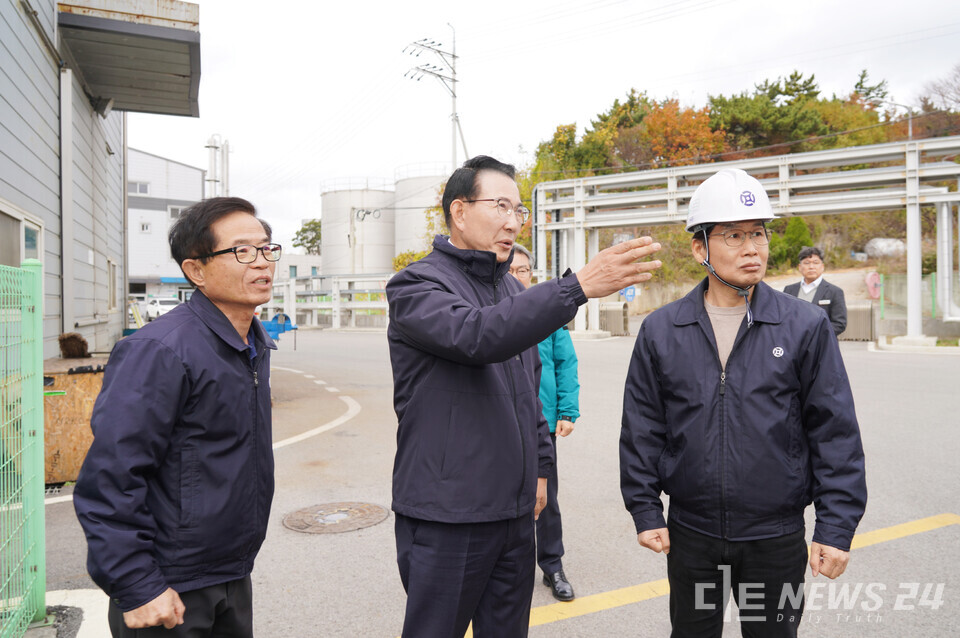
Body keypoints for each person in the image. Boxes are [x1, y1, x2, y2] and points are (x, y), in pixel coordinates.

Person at [387, 155, 662, 638]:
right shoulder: (416, 285)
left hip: (514, 517)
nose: (514, 222)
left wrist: (540, 470)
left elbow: (528, 396)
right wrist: (576, 287)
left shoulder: (510, 294)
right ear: (459, 210)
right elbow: (477, 336)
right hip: (448, 515)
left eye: (520, 211)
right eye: (501, 206)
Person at [619, 168, 867, 637]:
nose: (752, 248)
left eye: (758, 234)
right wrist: (645, 508)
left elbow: (834, 430)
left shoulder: (804, 326)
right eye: (733, 236)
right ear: (700, 249)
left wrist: (836, 528)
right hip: (692, 534)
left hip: (776, 535)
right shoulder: (662, 330)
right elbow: (642, 427)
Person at [74, 197, 280, 637]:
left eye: (266, 248)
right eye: (241, 251)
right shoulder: (160, 350)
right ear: (196, 270)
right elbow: (111, 475)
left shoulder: (251, 343)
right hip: (168, 585)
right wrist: (137, 583)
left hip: (230, 571)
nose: (261, 262)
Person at [509, 244, 580, 602]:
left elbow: (565, 362)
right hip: (502, 424)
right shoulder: (494, 312)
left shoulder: (546, 311)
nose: (517, 276)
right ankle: (502, 566)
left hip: (543, 421)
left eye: (523, 270)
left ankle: (552, 565)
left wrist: (567, 410)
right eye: (511, 270)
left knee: (545, 499)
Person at [783, 246, 847, 336]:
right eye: (807, 263)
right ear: (800, 267)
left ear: (822, 266)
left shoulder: (835, 292)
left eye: (815, 263)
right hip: (793, 345)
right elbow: (783, 318)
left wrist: (812, 335)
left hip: (822, 346)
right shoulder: (789, 290)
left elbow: (839, 324)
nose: (811, 267)